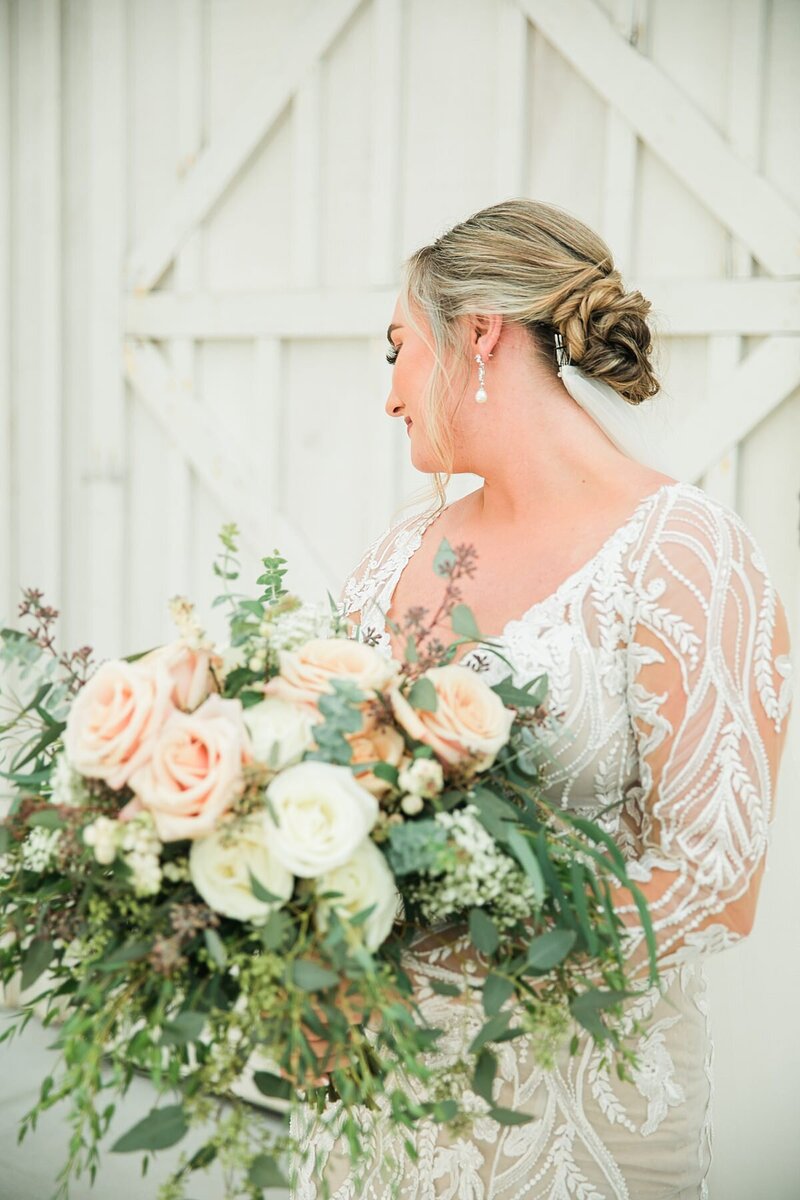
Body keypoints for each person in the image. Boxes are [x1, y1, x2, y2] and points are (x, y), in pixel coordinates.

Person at [288, 199, 794, 1199]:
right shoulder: (399, 551)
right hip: (366, 1108)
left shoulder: (683, 554)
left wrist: (450, 926)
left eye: (398, 350)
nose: (389, 396)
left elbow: (717, 881)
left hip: (567, 1119)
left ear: (477, 336)